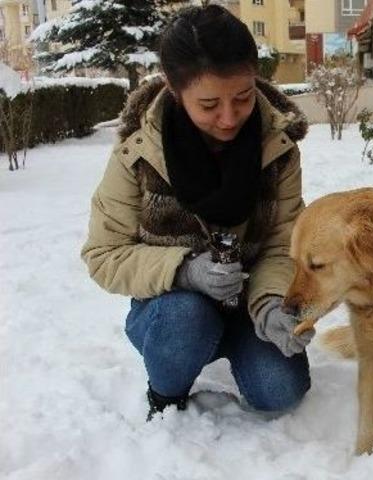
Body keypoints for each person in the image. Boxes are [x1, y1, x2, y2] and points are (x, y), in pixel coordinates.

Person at [81, 5, 314, 419]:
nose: (229, 118)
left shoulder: (277, 148)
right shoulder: (138, 153)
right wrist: (184, 270)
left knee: (280, 389)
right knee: (185, 319)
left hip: (246, 303)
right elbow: (103, 254)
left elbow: (284, 243)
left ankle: (244, 338)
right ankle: (167, 392)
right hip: (170, 311)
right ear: (174, 87)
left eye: (243, 98)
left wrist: (273, 304)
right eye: (209, 105)